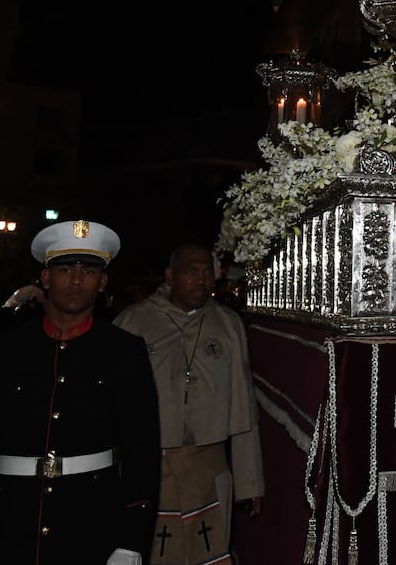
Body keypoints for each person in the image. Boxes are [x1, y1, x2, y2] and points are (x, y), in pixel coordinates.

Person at [0, 219, 160, 565]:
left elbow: (141, 451)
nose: (77, 280)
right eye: (66, 269)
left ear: (103, 283)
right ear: (46, 278)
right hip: (5, 527)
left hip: (90, 527)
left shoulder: (124, 352)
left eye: (89, 271)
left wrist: (131, 542)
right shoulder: (3, 352)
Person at [113, 242, 264, 565]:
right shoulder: (132, 323)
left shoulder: (228, 325)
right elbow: (112, 408)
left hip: (208, 468)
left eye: (208, 272)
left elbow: (243, 405)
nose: (201, 279)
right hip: (151, 468)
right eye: (191, 271)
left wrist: (249, 480)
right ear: (169, 276)